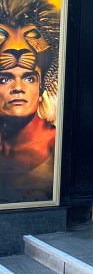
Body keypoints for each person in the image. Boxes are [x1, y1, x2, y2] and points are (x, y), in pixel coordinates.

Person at [0, 63, 55, 203]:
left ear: (41, 90)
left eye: (29, 79)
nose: (18, 88)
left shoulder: (57, 143)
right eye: (4, 79)